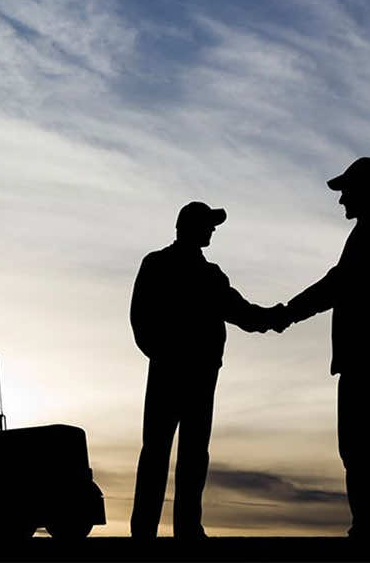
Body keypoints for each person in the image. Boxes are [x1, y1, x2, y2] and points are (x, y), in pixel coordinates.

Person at [276, 157, 370, 539]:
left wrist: (288, 312)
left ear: (367, 188)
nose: (341, 199)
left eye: (346, 190)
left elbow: (338, 283)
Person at [130, 201, 286, 539]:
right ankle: (151, 531)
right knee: (162, 450)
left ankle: (179, 528)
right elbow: (141, 319)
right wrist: (163, 354)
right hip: (178, 372)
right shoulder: (162, 265)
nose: (212, 230)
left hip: (195, 374)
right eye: (208, 225)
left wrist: (273, 317)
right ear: (189, 227)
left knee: (188, 452)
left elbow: (242, 313)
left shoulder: (208, 274)